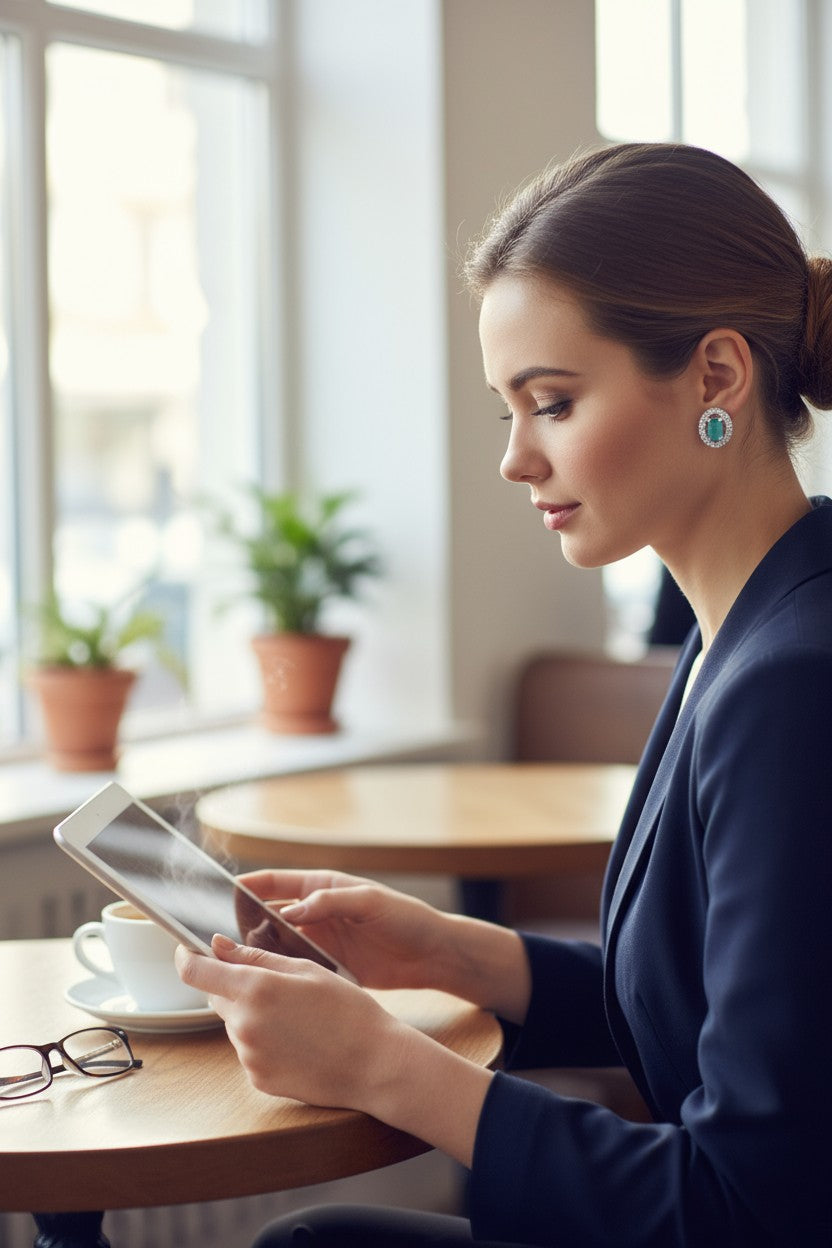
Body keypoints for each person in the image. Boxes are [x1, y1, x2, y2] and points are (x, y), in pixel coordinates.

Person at [175, 143, 832, 1246]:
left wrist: (390, 1067)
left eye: (553, 403)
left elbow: (749, 1206)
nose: (515, 460)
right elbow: (721, 1012)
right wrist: (454, 953)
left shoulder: (795, 685)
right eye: (506, 412)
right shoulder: (744, 626)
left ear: (716, 379)